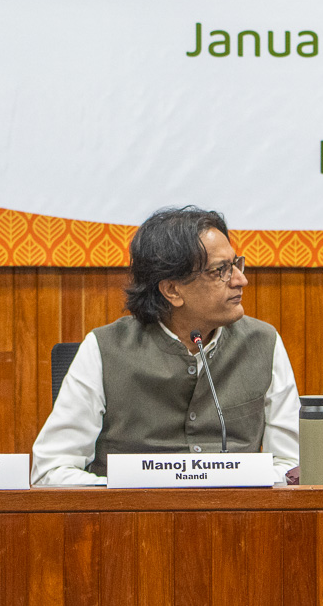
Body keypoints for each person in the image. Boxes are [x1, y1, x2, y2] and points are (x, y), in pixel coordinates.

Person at [32, 206, 301, 485]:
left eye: (236, 264)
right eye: (220, 270)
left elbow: (293, 465)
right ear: (172, 290)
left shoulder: (262, 342)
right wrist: (131, 487)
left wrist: (235, 479)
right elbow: (50, 471)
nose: (240, 279)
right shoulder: (103, 348)